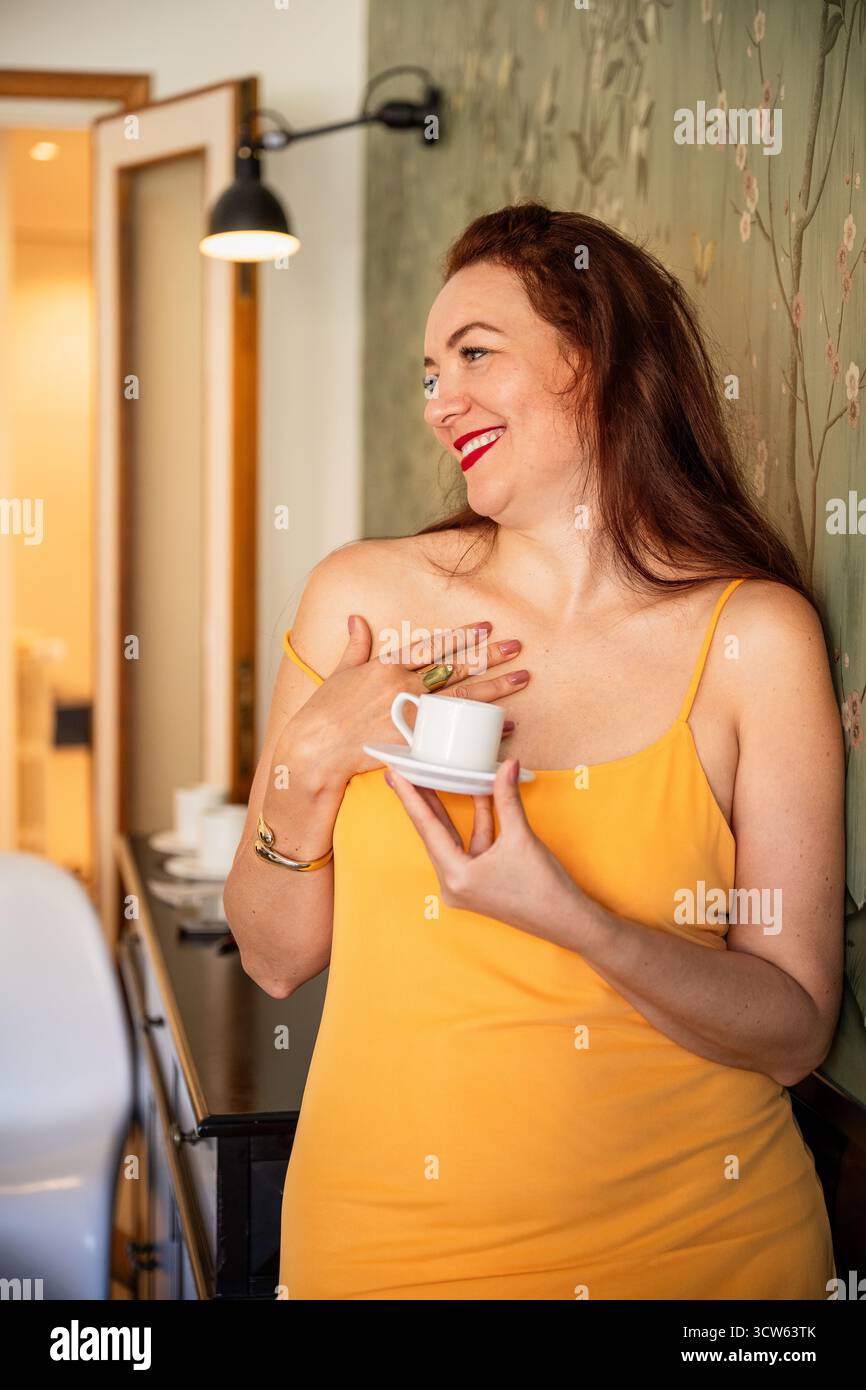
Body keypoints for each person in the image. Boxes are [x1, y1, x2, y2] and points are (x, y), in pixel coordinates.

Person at [223, 203, 845, 1300]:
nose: (438, 402)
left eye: (473, 353)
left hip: (702, 1262)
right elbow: (273, 958)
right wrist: (308, 762)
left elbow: (792, 1030)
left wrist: (568, 916)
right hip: (384, 1257)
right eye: (426, 373)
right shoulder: (363, 601)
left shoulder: (753, 638)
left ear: (596, 357)